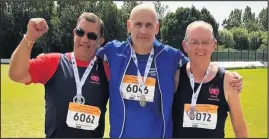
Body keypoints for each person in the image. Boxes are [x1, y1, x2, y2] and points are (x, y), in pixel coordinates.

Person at [96, 4, 243, 138]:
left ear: (157, 28)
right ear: (129, 25)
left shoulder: (170, 56)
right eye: (138, 24)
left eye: (149, 25)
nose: (143, 30)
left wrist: (227, 76)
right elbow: (85, 58)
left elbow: (199, 62)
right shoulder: (112, 52)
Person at [8, 12, 110, 138]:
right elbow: (16, 74)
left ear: (100, 41)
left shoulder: (107, 68)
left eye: (92, 36)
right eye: (80, 32)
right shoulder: (53, 62)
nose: (84, 39)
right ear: (74, 33)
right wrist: (30, 37)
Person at [172, 21, 248, 138]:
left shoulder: (227, 80)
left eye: (206, 42)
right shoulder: (176, 77)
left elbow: (239, 126)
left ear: (214, 45)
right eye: (194, 42)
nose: (200, 47)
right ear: (185, 45)